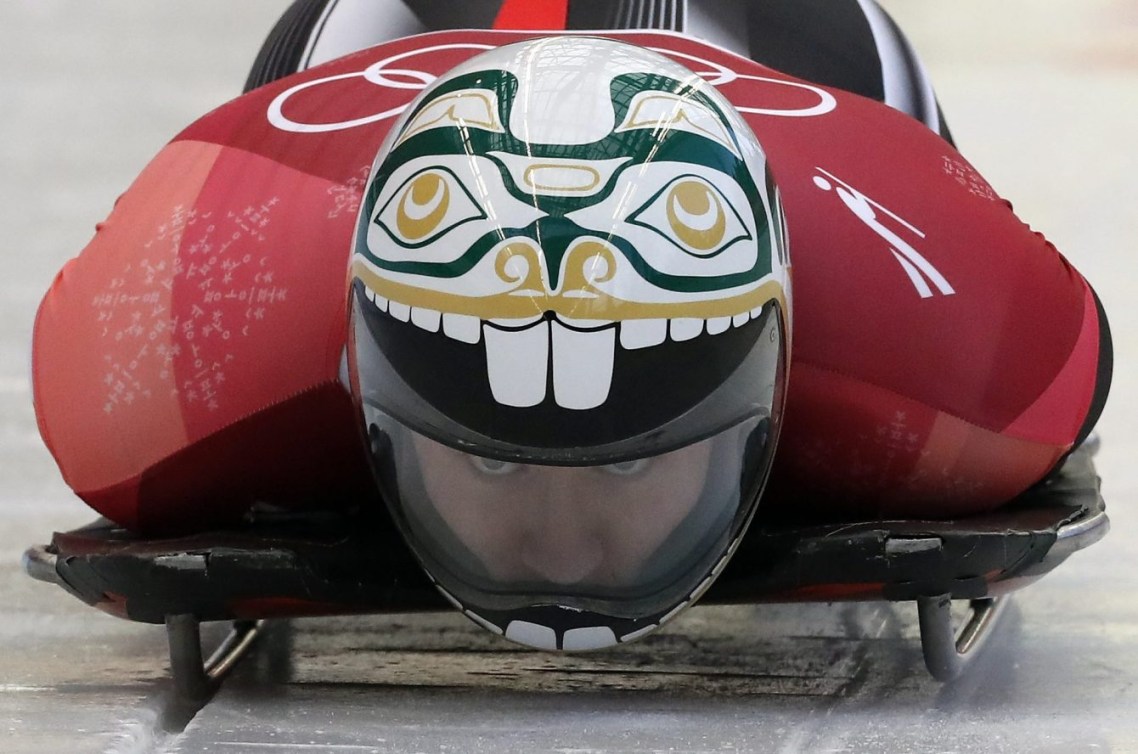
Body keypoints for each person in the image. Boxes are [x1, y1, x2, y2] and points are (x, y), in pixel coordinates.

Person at [31, 8, 1110, 649]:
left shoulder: (960, 339)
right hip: (344, 94)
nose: (564, 550)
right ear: (361, 380)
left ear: (772, 377)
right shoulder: (170, 338)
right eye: (495, 470)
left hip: (812, 104)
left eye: (631, 470)